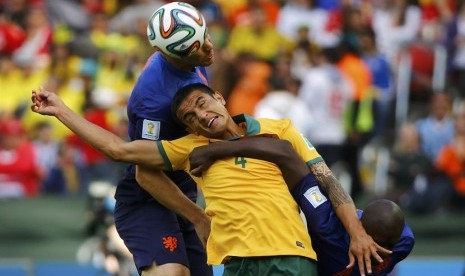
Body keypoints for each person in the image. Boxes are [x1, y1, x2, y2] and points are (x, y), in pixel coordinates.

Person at [32, 82, 391, 276]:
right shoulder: (190, 148)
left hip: (288, 258)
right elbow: (119, 151)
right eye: (191, 117)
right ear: (187, 128)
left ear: (219, 98)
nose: (201, 116)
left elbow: (325, 178)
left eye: (203, 105)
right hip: (235, 266)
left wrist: (357, 233)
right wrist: (61, 110)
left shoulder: (277, 129)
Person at [70, 2, 215, 275]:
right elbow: (145, 176)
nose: (208, 48)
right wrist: (198, 217)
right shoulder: (153, 100)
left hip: (183, 194)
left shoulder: (189, 52)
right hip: (147, 199)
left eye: (205, 35)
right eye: (196, 48)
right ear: (167, 53)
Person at [188, 137, 415, 276]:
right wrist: (214, 151)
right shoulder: (324, 221)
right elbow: (285, 153)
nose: (382, 254)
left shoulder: (403, 242)